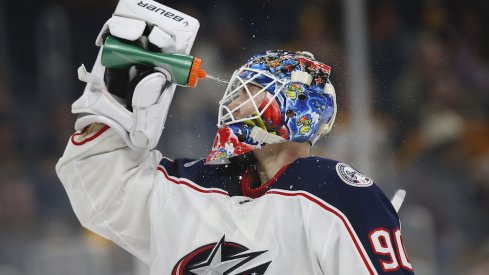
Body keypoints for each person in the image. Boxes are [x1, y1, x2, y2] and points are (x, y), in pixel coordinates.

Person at [56, 0, 415, 274]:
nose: (234, 103)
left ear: (297, 110)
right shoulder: (193, 185)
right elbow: (100, 190)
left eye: (252, 91)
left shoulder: (337, 193)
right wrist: (113, 103)